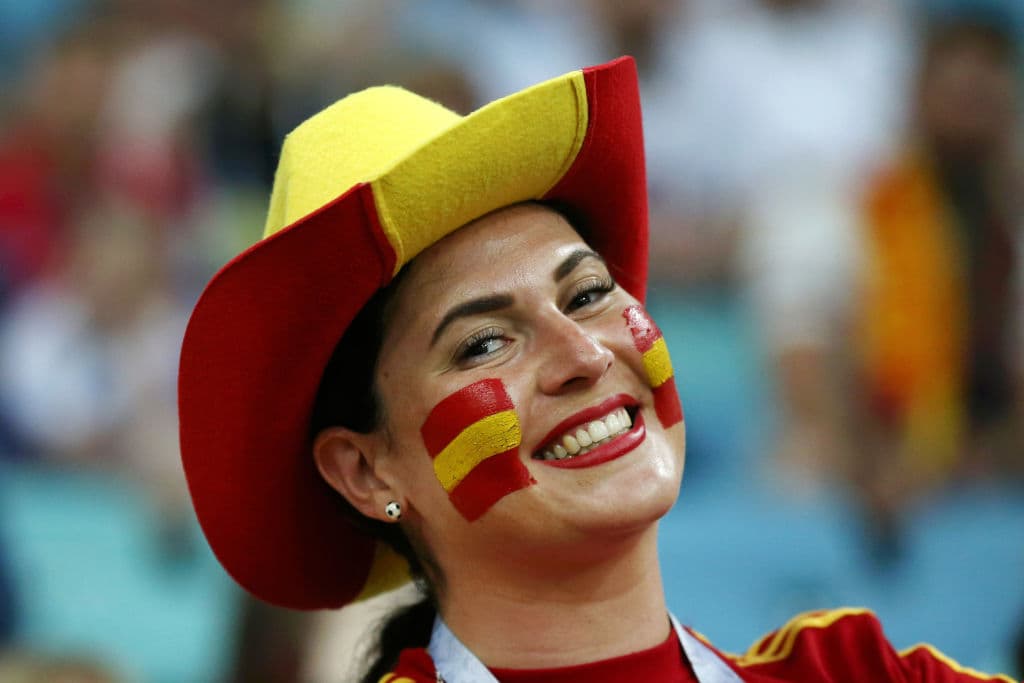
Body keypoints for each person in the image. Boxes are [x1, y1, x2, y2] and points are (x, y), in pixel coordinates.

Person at [177, 57, 1014, 682]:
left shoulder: (856, 672)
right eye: (484, 343)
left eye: (585, 293)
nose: (585, 354)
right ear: (364, 469)